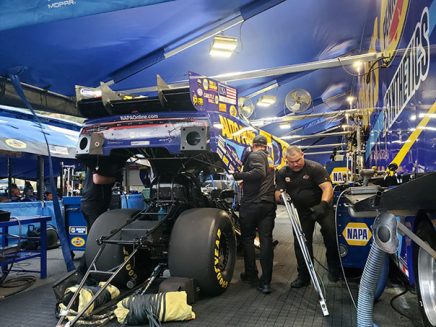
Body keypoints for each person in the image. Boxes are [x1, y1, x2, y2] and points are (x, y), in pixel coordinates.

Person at [275, 146, 340, 288]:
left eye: (297, 160)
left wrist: (322, 205)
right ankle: (304, 276)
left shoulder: (315, 168)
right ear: (286, 160)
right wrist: (280, 197)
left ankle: (334, 267)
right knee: (301, 243)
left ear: (302, 155)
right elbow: (278, 192)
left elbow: (327, 188)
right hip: (301, 212)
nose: (295, 164)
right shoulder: (282, 173)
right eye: (291, 162)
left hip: (321, 207)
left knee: (331, 234)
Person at [230, 134, 276, 294]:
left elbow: (258, 173)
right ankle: (266, 282)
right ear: (265, 145)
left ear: (253, 144)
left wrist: (237, 175)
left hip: (252, 205)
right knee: (266, 241)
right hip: (267, 205)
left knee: (248, 240)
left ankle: (251, 275)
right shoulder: (269, 159)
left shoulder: (255, 155)